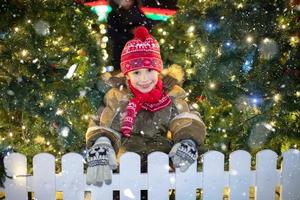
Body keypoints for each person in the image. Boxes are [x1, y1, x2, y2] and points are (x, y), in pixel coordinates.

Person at [85, 26, 206, 186]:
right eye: (136, 73)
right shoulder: (118, 95)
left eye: (149, 70)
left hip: (160, 163)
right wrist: (103, 141)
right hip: (126, 163)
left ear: (158, 71)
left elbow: (186, 118)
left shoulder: (170, 94)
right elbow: (103, 121)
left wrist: (188, 140)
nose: (144, 79)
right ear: (127, 74)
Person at [107, 0, 155, 72]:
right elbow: (113, 33)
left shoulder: (138, 11)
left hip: (140, 50)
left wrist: (140, 29)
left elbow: (148, 24)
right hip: (122, 50)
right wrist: (129, 35)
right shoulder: (113, 15)